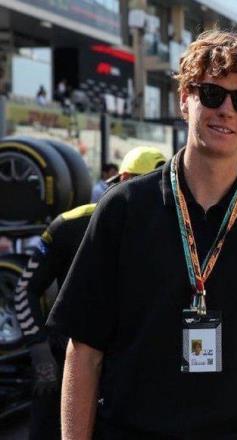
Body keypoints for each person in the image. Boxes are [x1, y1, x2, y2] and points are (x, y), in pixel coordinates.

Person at [47, 30, 237, 439]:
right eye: (212, 94)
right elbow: (84, 351)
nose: (226, 110)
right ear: (185, 99)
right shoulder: (123, 209)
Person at [14, 147, 166, 440]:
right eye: (144, 183)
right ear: (124, 178)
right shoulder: (70, 224)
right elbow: (24, 290)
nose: (153, 195)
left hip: (128, 377)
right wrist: (40, 353)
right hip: (65, 367)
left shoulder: (172, 231)